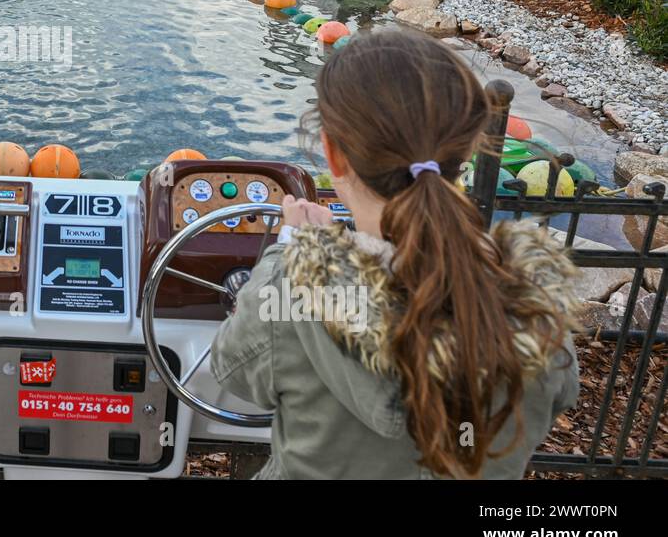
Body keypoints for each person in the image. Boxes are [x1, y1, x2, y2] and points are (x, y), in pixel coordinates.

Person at [210, 29, 579, 479]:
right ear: (463, 153)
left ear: (333, 153)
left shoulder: (292, 292)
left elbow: (232, 371)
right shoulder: (532, 300)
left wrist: (294, 250)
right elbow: (559, 393)